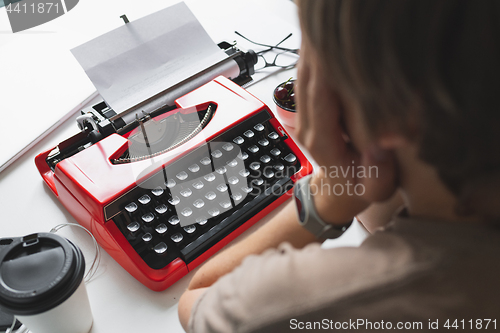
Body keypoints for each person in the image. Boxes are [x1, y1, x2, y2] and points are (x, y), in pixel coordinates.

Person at [178, 0, 500, 331]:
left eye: (313, 60)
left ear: (393, 114)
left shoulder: (301, 305)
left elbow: (201, 297)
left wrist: (331, 194)